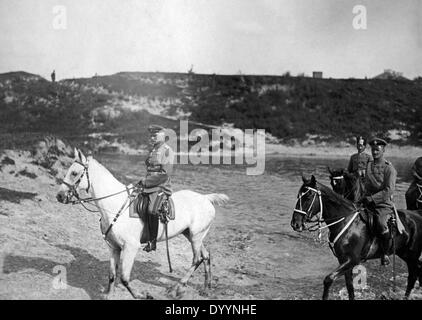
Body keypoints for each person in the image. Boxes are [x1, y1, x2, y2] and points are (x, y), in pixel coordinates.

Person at [360, 137, 397, 265]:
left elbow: (389, 190)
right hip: (367, 202)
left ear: (383, 150)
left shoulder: (389, 169)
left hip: (382, 204)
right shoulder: (369, 165)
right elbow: (366, 185)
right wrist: (362, 198)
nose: (375, 152)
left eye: (377, 150)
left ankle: (385, 253)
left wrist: (372, 199)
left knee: (381, 223)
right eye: (373, 150)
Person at [138, 124, 174, 252]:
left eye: (155, 135)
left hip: (161, 187)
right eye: (151, 135)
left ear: (163, 135)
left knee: (151, 209)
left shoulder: (167, 151)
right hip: (149, 185)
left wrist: (146, 181)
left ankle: (152, 241)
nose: (152, 137)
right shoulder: (154, 150)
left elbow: (165, 174)